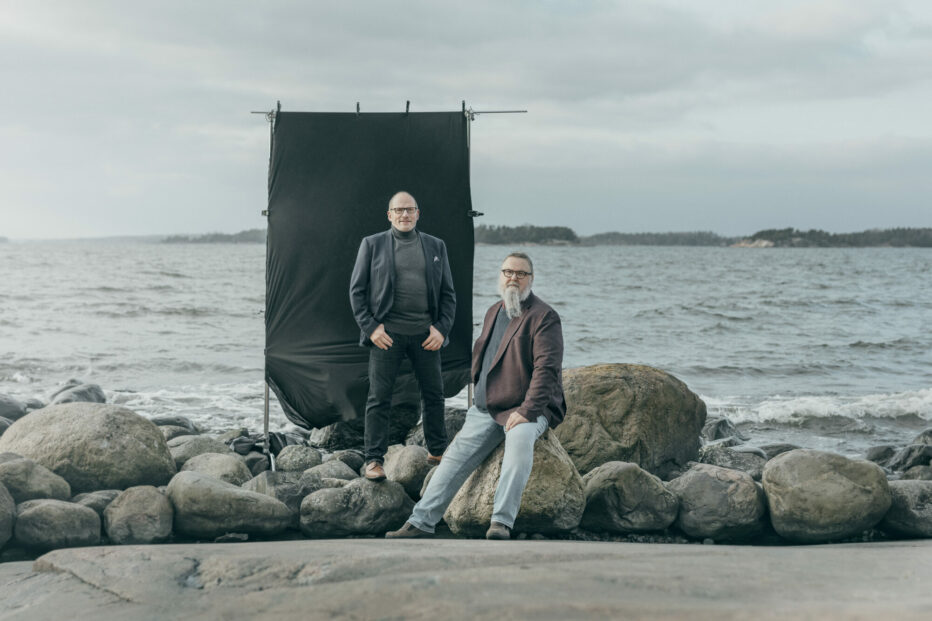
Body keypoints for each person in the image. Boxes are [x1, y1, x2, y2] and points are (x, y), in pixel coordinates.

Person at [386, 251, 565, 540]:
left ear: (531, 279)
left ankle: (501, 522)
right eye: (508, 272)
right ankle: (420, 522)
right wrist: (475, 399)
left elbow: (547, 370)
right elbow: (483, 358)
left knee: (519, 446)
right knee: (453, 460)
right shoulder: (494, 311)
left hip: (527, 408)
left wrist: (527, 411)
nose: (513, 278)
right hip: (486, 408)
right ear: (500, 276)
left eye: (521, 273)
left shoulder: (544, 317)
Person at [349, 191, 456, 481]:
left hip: (426, 335)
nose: (404, 214)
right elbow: (357, 292)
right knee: (379, 397)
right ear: (390, 215)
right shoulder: (372, 244)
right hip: (387, 335)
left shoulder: (436, 245)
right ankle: (374, 460)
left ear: (418, 213)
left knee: (434, 394)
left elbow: (448, 294)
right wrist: (371, 328)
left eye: (409, 210)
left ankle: (438, 451)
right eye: (399, 210)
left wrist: (441, 329)